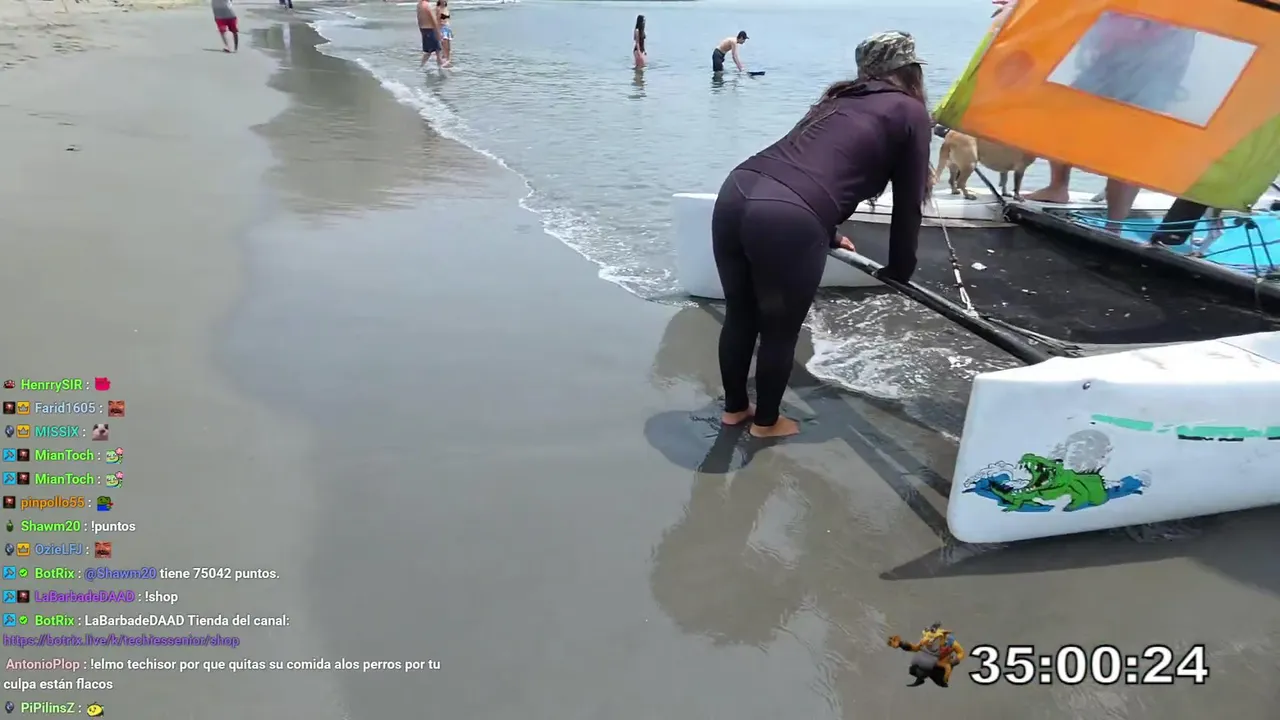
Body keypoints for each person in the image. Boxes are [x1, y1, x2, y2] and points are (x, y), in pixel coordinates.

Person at [710, 31, 931, 438]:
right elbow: (908, 204)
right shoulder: (910, 111)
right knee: (779, 329)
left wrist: (826, 233)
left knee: (741, 313)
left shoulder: (838, 98)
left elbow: (810, 163)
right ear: (911, 71)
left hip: (737, 189)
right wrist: (899, 269)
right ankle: (767, 424)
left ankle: (735, 410)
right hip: (788, 215)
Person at [1026, 12, 1195, 225]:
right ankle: (1058, 187)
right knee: (1063, 114)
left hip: (1155, 61)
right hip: (1114, 52)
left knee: (1131, 142)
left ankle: (1114, 222)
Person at [418, 0, 443, 69]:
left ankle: (421, 67)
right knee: (437, 50)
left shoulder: (419, 5)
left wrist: (421, 30)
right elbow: (433, 19)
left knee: (429, 51)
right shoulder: (428, 5)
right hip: (430, 29)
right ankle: (441, 69)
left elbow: (419, 19)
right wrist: (438, 32)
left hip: (424, 29)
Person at [437, 0, 453, 67]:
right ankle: (443, 62)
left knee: (448, 48)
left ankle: (448, 61)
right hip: (442, 29)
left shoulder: (446, 8)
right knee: (444, 47)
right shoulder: (438, 9)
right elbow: (436, 21)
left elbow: (448, 20)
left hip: (448, 28)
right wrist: (438, 32)